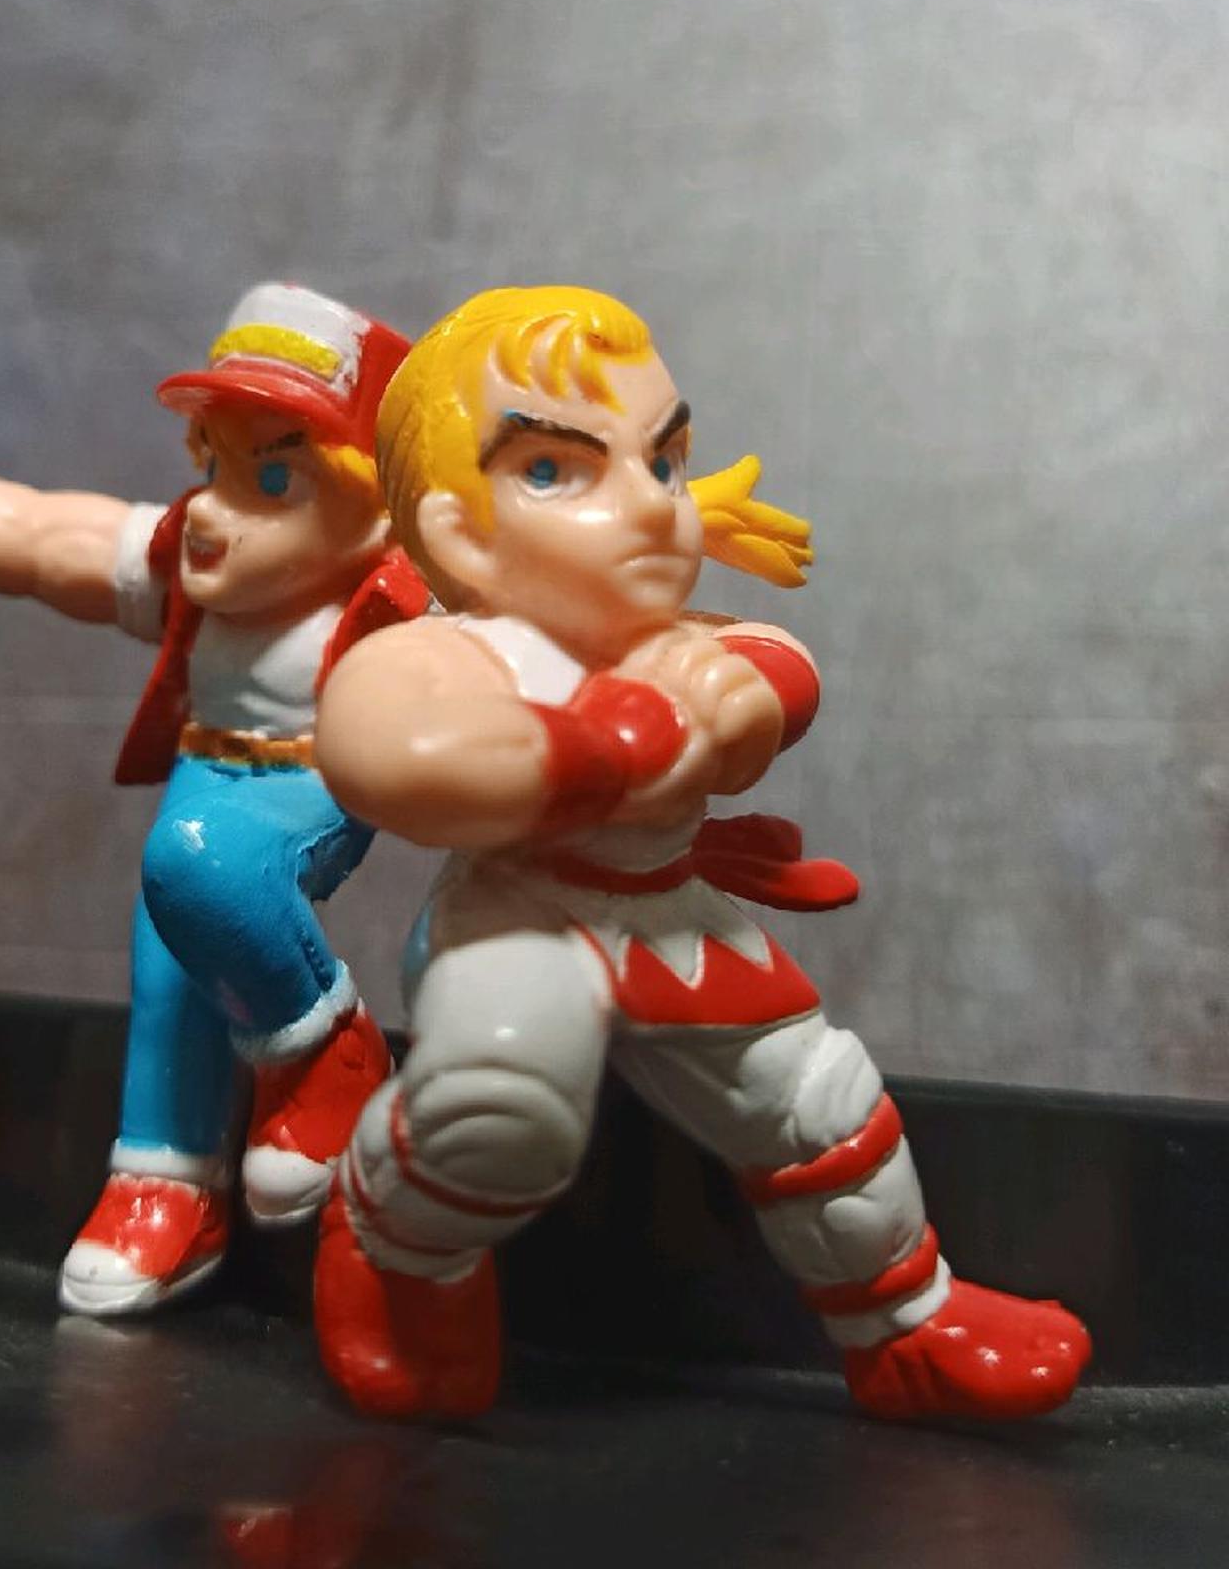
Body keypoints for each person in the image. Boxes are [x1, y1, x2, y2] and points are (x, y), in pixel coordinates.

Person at [311, 284, 1091, 1421]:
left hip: (669, 914)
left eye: (663, 462)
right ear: (460, 530)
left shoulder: (680, 641)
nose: (647, 505)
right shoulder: (448, 652)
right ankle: (394, 1246)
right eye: (555, 469)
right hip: (523, 914)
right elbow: (384, 748)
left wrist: (746, 701)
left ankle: (904, 1321)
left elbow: (780, 666)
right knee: (501, 1101)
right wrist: (582, 749)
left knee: (822, 1103)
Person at [0, 282, 426, 1315]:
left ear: (381, 512)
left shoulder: (394, 603)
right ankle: (165, 1187)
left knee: (205, 864)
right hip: (205, 776)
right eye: (213, 467)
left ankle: (325, 1056)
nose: (214, 508)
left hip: (314, 784)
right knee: (169, 963)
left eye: (274, 477)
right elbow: (47, 536)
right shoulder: (189, 563)